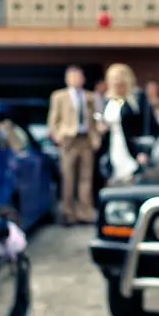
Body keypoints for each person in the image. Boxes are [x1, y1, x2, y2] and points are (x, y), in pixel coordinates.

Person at [47, 65, 102, 225]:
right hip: (69, 140)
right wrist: (58, 137)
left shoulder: (90, 97)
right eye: (73, 77)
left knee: (86, 177)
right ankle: (68, 213)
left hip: (86, 139)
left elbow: (97, 118)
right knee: (68, 177)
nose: (76, 80)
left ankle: (85, 212)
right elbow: (53, 119)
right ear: (67, 79)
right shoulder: (59, 96)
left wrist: (96, 136)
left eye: (79, 77)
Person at [98, 63, 158, 184]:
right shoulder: (109, 100)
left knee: (131, 178)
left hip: (131, 147)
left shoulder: (137, 98)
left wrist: (143, 151)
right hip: (113, 146)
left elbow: (149, 126)